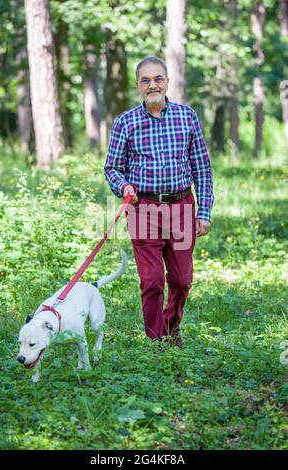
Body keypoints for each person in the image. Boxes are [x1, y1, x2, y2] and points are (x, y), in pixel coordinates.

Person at [104, 56, 214, 348]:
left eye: (158, 79)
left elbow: (202, 168)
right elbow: (112, 167)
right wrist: (123, 185)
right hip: (144, 210)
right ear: (138, 85)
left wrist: (204, 212)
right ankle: (156, 341)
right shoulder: (125, 122)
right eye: (145, 80)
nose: (152, 85)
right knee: (152, 281)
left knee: (181, 280)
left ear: (167, 81)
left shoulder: (187, 116)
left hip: (181, 208)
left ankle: (171, 328)